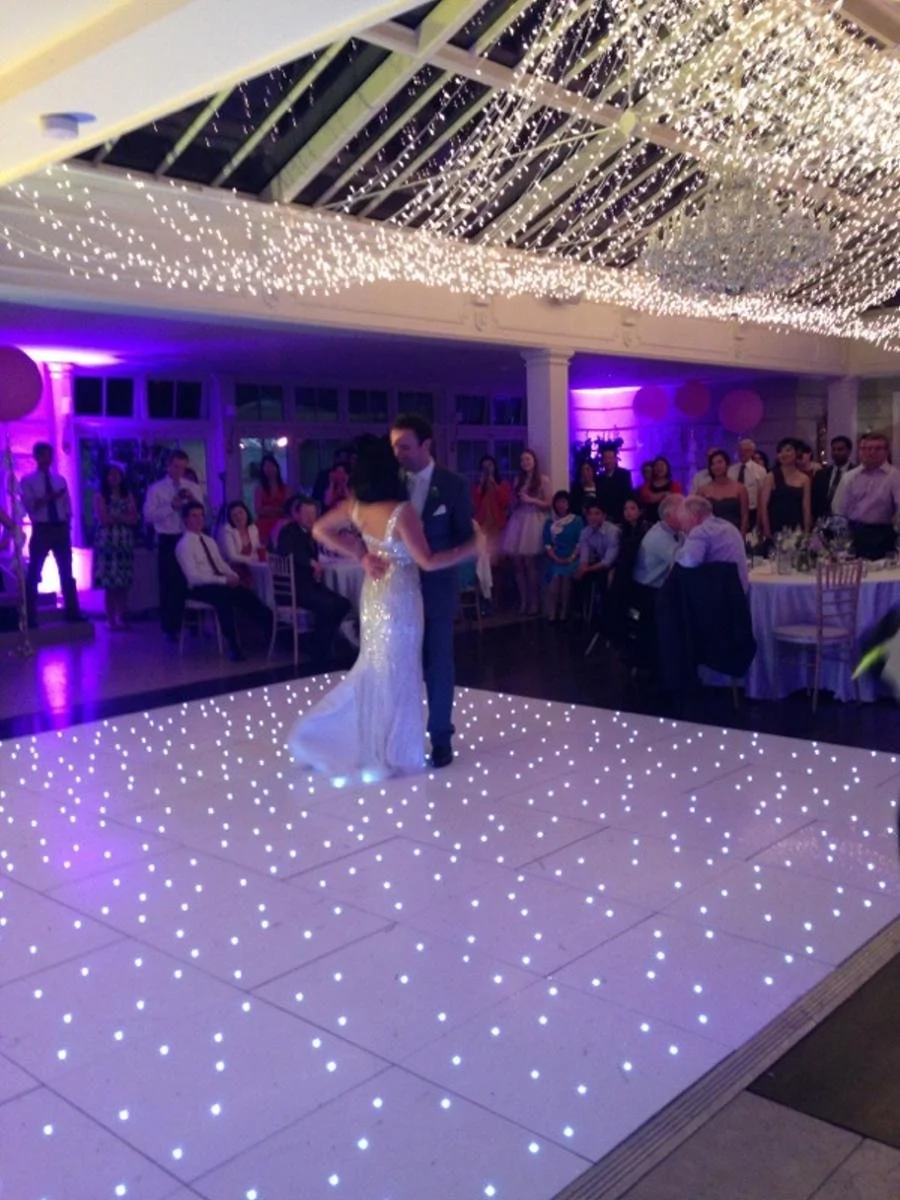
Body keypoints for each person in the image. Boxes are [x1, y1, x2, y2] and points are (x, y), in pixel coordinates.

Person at [290, 437, 479, 780]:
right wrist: (470, 549)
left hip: (375, 595)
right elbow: (428, 560)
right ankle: (395, 751)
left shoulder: (356, 506)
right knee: (401, 671)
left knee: (377, 667)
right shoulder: (401, 511)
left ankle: (375, 745)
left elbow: (319, 529)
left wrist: (361, 555)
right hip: (402, 598)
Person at [392, 415, 475, 768]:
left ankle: (440, 735)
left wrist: (438, 560)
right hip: (396, 585)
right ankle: (400, 733)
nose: (398, 454)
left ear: (427, 445)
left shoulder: (453, 485)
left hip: (437, 586)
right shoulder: (389, 482)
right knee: (398, 660)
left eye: (405, 447)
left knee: (439, 661)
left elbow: (464, 538)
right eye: (394, 447)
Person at [175, 502, 274, 662]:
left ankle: (270, 632)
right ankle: (234, 646)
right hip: (199, 588)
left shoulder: (208, 541)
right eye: (194, 516)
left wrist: (233, 576)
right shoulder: (184, 545)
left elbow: (220, 564)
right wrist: (223, 580)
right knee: (224, 599)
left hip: (219, 581)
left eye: (201, 515)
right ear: (186, 519)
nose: (199, 519)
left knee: (247, 595)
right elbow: (194, 576)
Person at [275, 495, 353, 668]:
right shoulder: (289, 531)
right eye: (306, 514)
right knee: (331, 605)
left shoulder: (312, 532)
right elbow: (286, 550)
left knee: (343, 604)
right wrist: (311, 562)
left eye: (314, 514)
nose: (311, 518)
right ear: (296, 514)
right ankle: (320, 651)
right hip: (295, 589)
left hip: (310, 586)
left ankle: (318, 645)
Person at [20, 442, 82, 627]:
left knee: (67, 571)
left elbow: (67, 504)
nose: (49, 458)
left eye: (50, 454)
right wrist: (51, 497)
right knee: (34, 572)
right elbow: (31, 505)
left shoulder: (59, 480)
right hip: (42, 528)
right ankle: (30, 616)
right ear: (37, 457)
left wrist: (68, 523)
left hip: (60, 527)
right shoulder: (28, 481)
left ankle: (72, 612)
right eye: (45, 455)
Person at [143, 449, 204, 640]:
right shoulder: (156, 489)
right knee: (169, 582)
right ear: (169, 465)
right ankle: (170, 628)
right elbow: (149, 516)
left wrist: (193, 502)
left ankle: (195, 624)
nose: (179, 471)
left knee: (193, 579)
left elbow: (202, 512)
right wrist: (172, 506)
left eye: (183, 467)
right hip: (168, 538)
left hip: (189, 536)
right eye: (176, 466)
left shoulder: (192, 487)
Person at [833, 432, 900, 560]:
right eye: (866, 448)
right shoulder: (849, 477)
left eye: (877, 448)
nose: (871, 452)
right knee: (853, 575)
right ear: (859, 451)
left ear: (886, 452)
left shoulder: (895, 476)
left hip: (883, 535)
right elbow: (839, 510)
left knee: (882, 576)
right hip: (854, 534)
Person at [503, 448, 553, 616]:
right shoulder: (518, 479)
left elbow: (548, 503)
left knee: (530, 564)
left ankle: (534, 601)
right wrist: (514, 501)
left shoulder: (543, 480)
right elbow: (513, 502)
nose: (525, 462)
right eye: (523, 460)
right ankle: (523, 600)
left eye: (528, 459)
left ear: (534, 461)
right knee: (518, 564)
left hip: (534, 520)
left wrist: (532, 500)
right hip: (519, 518)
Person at [91, 463, 139, 630]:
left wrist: (116, 516)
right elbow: (104, 519)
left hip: (124, 542)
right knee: (110, 583)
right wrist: (123, 517)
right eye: (111, 474)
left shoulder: (128, 495)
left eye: (117, 474)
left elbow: (134, 518)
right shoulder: (100, 495)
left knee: (123, 582)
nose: (114, 478)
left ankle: (122, 616)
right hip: (107, 542)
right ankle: (111, 620)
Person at [676, 494, 749, 590]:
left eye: (683, 524)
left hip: (714, 597)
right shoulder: (730, 527)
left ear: (693, 517)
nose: (683, 530)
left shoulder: (701, 531)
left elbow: (686, 564)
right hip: (739, 595)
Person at [758, 437, 811, 539]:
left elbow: (806, 508)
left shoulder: (804, 479)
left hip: (796, 528)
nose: (783, 454)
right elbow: (763, 507)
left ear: (796, 453)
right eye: (780, 451)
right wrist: (767, 532)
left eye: (788, 450)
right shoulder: (771, 476)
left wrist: (807, 532)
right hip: (776, 528)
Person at [542, 490, 582, 621]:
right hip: (555, 558)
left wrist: (570, 558)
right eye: (558, 502)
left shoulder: (577, 521)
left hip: (573, 558)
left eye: (564, 502)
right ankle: (553, 612)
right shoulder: (549, 522)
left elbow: (580, 543)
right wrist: (557, 559)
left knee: (565, 580)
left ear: (568, 504)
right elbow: (547, 544)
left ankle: (564, 612)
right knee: (555, 578)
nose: (561, 505)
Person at [471, 454, 511, 562]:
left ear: (495, 467)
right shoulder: (477, 485)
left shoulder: (503, 484)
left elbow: (505, 502)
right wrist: (480, 485)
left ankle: (497, 577)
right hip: (482, 523)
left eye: (490, 466)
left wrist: (495, 485)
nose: (488, 469)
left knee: (497, 556)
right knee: (484, 555)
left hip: (497, 523)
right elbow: (475, 504)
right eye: (484, 467)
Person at [698, 450, 748, 535]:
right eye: (713, 464)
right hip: (710, 534)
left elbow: (745, 516)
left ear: (727, 464)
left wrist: (741, 534)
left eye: (720, 462)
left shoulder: (740, 488)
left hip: (733, 534)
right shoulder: (703, 490)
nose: (716, 466)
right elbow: (698, 515)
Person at [812, 435, 854, 521]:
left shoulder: (855, 474)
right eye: (833, 449)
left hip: (848, 520)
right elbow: (815, 500)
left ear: (849, 451)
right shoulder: (821, 474)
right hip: (823, 521)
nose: (836, 453)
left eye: (840, 449)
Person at [728, 439, 767, 529]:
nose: (743, 453)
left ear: (752, 452)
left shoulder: (760, 470)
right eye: (740, 450)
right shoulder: (730, 470)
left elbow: (762, 495)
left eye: (746, 450)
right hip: (733, 511)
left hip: (752, 511)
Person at [253, 455, 291, 548]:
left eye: (271, 466)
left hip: (281, 523)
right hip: (263, 524)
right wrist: (277, 510)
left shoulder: (285, 488)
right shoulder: (260, 488)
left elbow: (287, 508)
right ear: (262, 470)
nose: (269, 469)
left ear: (276, 467)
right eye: (266, 467)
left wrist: (267, 509)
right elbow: (258, 509)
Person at [594, 440, 633, 524]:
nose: (608, 461)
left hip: (621, 518)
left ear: (615, 460)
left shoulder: (624, 475)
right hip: (603, 519)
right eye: (605, 458)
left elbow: (627, 496)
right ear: (602, 460)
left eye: (610, 458)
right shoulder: (599, 478)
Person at [636, 455, 683, 523]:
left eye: (662, 465)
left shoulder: (674, 485)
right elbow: (649, 498)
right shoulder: (647, 485)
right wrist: (664, 494)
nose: (659, 468)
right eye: (657, 466)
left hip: (669, 521)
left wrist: (657, 496)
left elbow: (675, 501)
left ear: (667, 468)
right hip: (649, 520)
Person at [218, 501, 264, 566]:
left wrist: (263, 554)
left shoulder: (253, 528)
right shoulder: (227, 530)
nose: (238, 517)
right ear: (230, 519)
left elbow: (257, 548)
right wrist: (254, 559)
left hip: (251, 565)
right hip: (232, 566)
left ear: (246, 513)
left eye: (240, 512)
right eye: (234, 515)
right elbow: (232, 557)